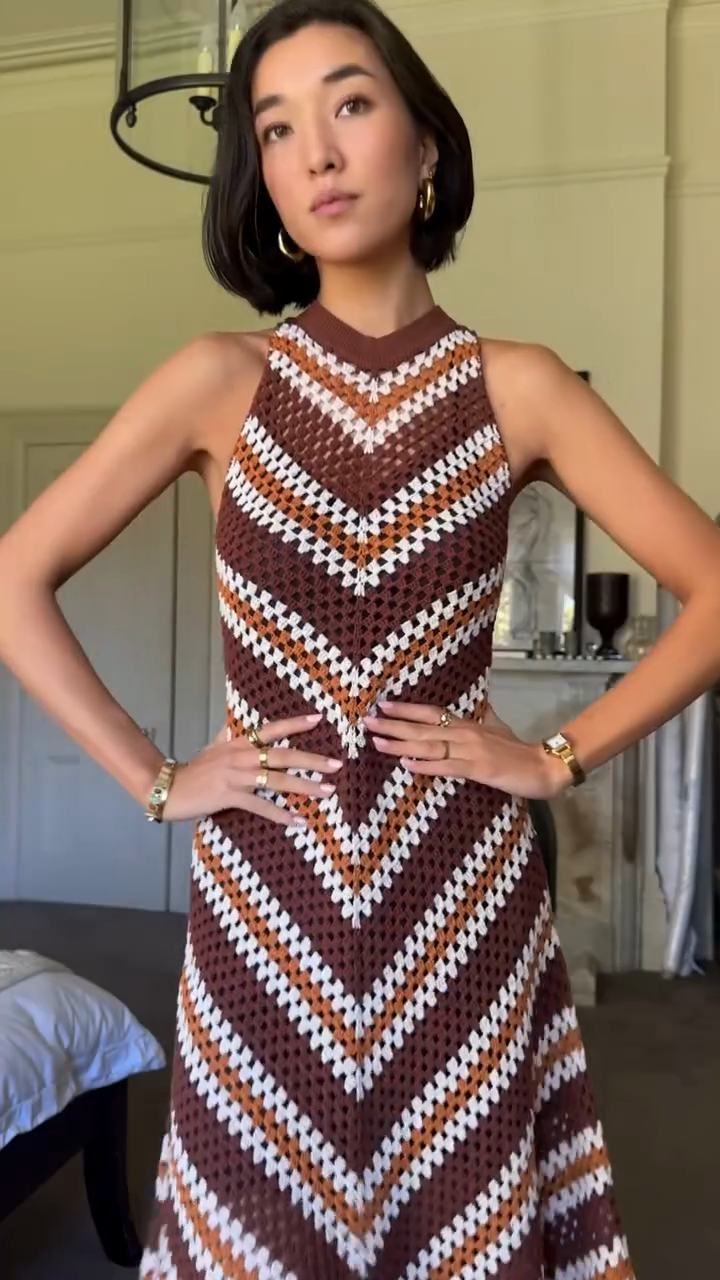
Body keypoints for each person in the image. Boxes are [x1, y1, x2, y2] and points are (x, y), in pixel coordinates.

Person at [1, 0, 719, 1275]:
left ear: (424, 143)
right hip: (265, 906)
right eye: (277, 128)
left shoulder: (521, 385)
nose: (318, 151)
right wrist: (158, 777)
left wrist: (554, 756)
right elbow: (16, 578)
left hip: (461, 895)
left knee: (463, 1226)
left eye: (350, 103)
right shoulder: (220, 378)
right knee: (256, 1226)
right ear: (263, 178)